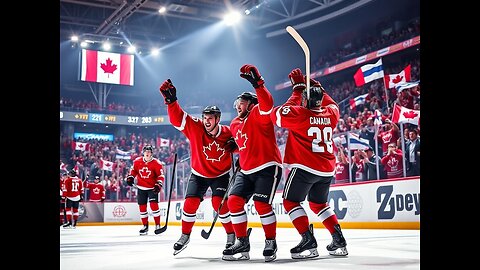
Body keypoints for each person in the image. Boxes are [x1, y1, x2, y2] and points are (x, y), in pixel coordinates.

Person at [270, 68, 348, 258]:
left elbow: (277, 115)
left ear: (305, 101)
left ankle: (307, 239)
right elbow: (332, 104)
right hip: (327, 168)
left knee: (290, 201)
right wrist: (316, 86)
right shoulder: (331, 114)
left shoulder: (300, 114)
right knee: (318, 204)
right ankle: (339, 240)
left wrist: (297, 90)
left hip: (305, 167)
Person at [159, 79, 237, 255]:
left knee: (219, 203)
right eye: (205, 118)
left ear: (218, 119)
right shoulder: (196, 127)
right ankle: (185, 236)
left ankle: (231, 235)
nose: (206, 121)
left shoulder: (228, 132)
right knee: (190, 204)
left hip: (221, 174)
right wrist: (172, 102)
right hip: (199, 174)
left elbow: (243, 141)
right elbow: (177, 119)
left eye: (210, 118)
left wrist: (237, 147)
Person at [222, 64, 283, 262]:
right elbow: (246, 142)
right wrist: (235, 146)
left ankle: (270, 241)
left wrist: (258, 84)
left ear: (251, 103)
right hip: (245, 169)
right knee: (233, 201)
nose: (237, 105)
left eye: (241, 102)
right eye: (237, 102)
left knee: (261, 204)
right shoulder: (234, 123)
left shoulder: (259, 112)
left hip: (267, 167)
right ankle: (242, 241)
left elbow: (267, 104)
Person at [125, 145, 165, 235]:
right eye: (146, 151)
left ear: (152, 153)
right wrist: (131, 177)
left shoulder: (157, 163)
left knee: (154, 206)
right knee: (142, 208)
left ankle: (157, 225)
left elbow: (160, 176)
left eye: (149, 151)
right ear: (143, 152)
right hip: (141, 188)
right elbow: (134, 171)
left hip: (152, 188)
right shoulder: (137, 161)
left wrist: (158, 184)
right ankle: (145, 226)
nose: (147, 153)